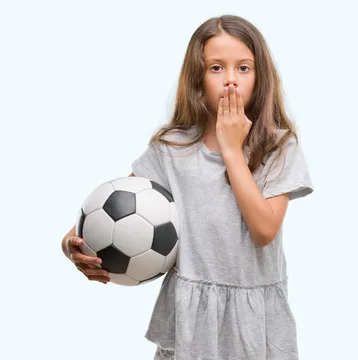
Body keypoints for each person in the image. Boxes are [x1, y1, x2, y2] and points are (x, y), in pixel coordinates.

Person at [60, 14, 314, 360]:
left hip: (255, 324)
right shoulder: (172, 148)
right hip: (190, 324)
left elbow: (264, 230)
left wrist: (231, 149)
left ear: (260, 76)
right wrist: (71, 246)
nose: (230, 81)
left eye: (243, 68)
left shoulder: (278, 146)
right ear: (197, 79)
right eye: (215, 68)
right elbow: (107, 213)